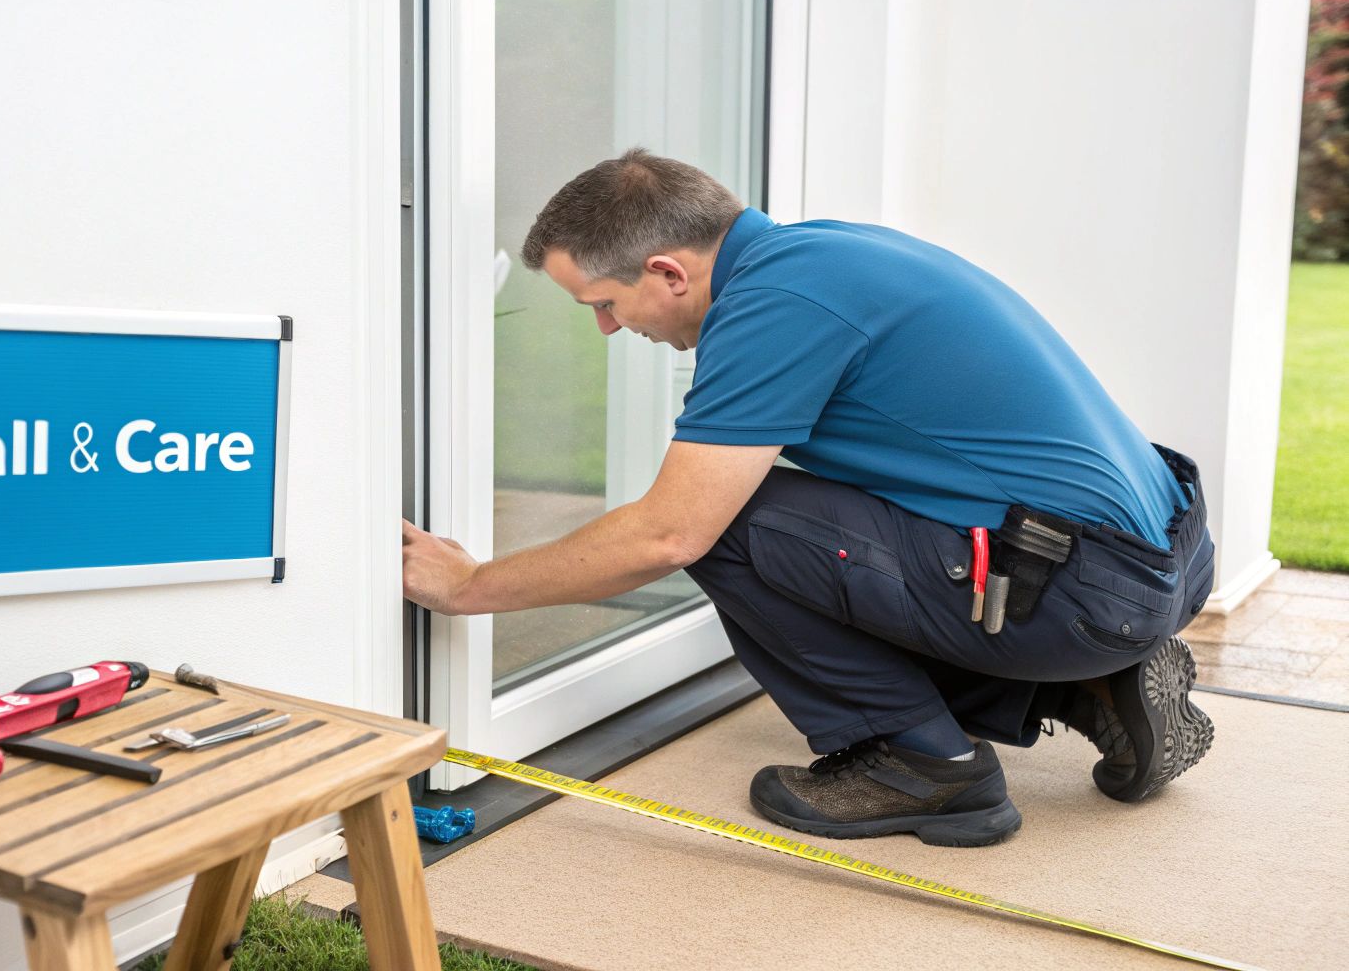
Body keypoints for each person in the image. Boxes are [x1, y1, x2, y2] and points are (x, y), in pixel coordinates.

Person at [401, 148, 1216, 847]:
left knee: (724, 526)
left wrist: (471, 586)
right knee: (799, 514)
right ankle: (1088, 685)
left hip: (1089, 589)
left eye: (604, 304)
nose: (608, 329)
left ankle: (928, 765)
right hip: (1155, 562)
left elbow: (667, 535)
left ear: (667, 272)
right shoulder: (820, 254)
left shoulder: (774, 308)